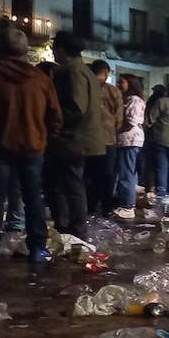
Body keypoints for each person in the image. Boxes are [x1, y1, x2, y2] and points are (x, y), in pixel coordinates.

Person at [0, 25, 62, 264]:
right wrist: (44, 137)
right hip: (32, 146)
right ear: (24, 50)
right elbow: (55, 117)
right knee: (33, 197)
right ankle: (38, 248)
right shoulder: (40, 79)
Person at [46, 31, 104, 240]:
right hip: (81, 139)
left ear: (62, 48)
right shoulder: (85, 70)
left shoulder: (72, 71)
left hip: (73, 139)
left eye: (55, 47)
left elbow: (76, 107)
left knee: (71, 184)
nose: (53, 51)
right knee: (71, 183)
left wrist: (54, 124)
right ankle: (71, 225)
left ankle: (75, 228)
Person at [86, 61, 123, 216]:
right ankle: (106, 207)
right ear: (106, 73)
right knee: (108, 175)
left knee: (89, 175)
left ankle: (90, 206)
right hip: (108, 139)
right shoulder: (113, 91)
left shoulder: (86, 88)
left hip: (88, 138)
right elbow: (119, 117)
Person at [113, 75, 146, 219]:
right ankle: (127, 202)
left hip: (130, 139)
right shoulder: (128, 99)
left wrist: (115, 129)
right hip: (128, 139)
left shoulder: (134, 100)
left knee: (126, 172)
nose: (118, 84)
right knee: (128, 171)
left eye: (122, 82)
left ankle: (127, 206)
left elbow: (130, 121)